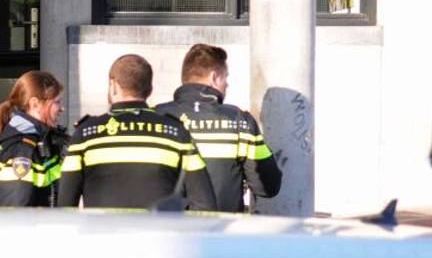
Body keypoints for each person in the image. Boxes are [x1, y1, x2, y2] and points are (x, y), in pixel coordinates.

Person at [57, 54, 217, 210]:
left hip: (102, 236)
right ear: (150, 90)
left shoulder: (85, 135)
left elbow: (65, 205)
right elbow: (205, 205)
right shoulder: (177, 133)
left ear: (113, 86)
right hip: (160, 236)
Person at [155, 43, 283, 212]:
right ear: (214, 77)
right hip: (220, 231)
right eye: (225, 78)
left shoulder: (157, 116)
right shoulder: (240, 121)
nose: (227, 85)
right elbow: (268, 186)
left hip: (167, 232)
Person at [0, 71, 67, 207]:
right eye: (56, 102)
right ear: (35, 104)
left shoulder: (39, 141)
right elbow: (18, 213)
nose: (62, 108)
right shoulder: (21, 150)